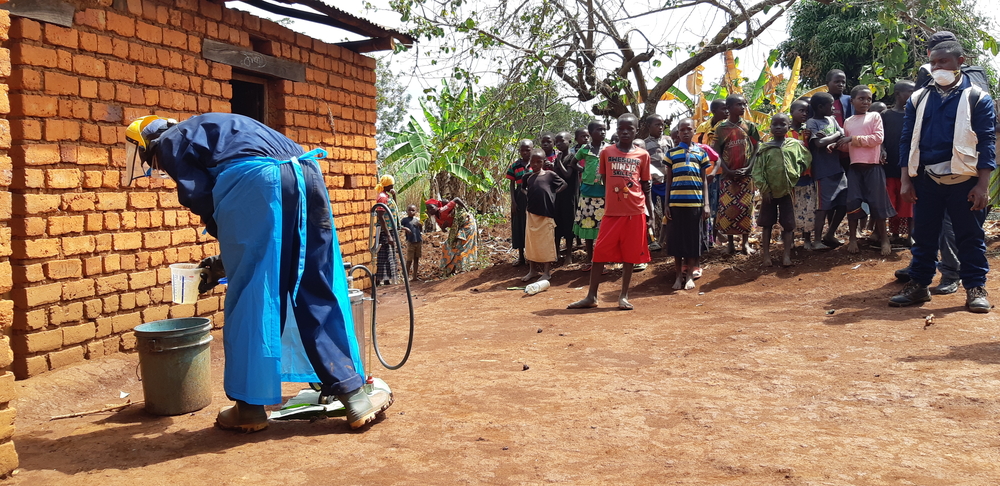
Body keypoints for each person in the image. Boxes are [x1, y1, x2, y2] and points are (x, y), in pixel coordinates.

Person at [121, 113, 392, 432]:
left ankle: (249, 409)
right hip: (306, 173)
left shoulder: (170, 139)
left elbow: (200, 196)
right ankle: (355, 397)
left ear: (146, 143)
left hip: (257, 178)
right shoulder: (216, 130)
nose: (158, 167)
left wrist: (228, 248)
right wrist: (230, 255)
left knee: (255, 294)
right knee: (314, 284)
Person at [890, 40, 996, 313]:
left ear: (960, 62)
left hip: (966, 181)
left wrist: (983, 184)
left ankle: (975, 288)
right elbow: (907, 141)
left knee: (970, 236)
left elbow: (986, 142)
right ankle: (919, 286)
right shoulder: (918, 99)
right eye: (933, 63)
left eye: (943, 62)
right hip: (926, 180)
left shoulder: (977, 98)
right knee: (924, 236)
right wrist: (906, 179)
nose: (936, 68)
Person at [568, 113, 652, 310]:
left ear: (636, 131)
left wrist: (651, 214)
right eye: (621, 128)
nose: (624, 132)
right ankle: (591, 296)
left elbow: (646, 185)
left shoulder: (643, 155)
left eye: (629, 129)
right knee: (600, 253)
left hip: (635, 211)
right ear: (616, 129)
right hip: (612, 213)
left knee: (630, 255)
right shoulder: (607, 152)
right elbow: (605, 180)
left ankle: (623, 295)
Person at [837, 85, 895, 256]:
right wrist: (838, 146)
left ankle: (884, 239)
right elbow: (850, 147)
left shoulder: (875, 116)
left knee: (877, 203)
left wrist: (852, 139)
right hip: (855, 168)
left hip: (873, 167)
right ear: (852, 101)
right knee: (852, 202)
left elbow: (877, 138)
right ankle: (853, 239)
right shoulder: (848, 122)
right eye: (861, 98)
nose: (865, 102)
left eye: (869, 99)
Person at [753, 114, 812, 267]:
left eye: (782, 124)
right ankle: (766, 256)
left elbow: (806, 158)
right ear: (770, 127)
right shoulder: (764, 148)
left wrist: (796, 172)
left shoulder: (794, 145)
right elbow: (757, 170)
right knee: (766, 224)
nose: (778, 127)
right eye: (775, 124)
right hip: (769, 193)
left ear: (788, 126)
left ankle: (786, 256)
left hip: (787, 191)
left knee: (788, 225)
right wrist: (764, 189)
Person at [664, 118, 710, 289]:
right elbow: (669, 181)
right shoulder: (671, 154)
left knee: (692, 241)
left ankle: (689, 275)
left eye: (688, 129)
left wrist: (706, 204)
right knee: (676, 241)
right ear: (678, 132)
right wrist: (667, 204)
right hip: (676, 205)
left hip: (695, 205)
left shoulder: (701, 153)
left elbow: (704, 180)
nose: (685, 132)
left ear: (694, 131)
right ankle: (677, 276)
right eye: (681, 129)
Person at [713, 94, 761, 254]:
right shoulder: (721, 129)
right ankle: (731, 244)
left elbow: (757, 148)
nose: (742, 107)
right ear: (729, 107)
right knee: (728, 210)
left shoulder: (750, 126)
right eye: (738, 104)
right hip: (728, 177)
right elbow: (717, 153)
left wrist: (748, 168)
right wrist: (728, 170)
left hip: (746, 176)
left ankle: (745, 243)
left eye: (744, 104)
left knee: (746, 210)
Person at [807, 92, 847, 250]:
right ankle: (817, 240)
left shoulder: (831, 119)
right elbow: (818, 143)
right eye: (830, 105)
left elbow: (843, 133)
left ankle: (830, 234)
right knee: (823, 206)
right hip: (822, 171)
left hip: (838, 169)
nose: (833, 108)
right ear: (820, 107)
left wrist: (832, 137)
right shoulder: (812, 122)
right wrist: (835, 135)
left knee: (844, 203)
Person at [522, 148, 568, 281]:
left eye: (539, 162)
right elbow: (522, 189)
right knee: (531, 243)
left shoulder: (550, 175)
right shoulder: (527, 177)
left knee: (546, 243)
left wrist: (552, 194)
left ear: (544, 162)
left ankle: (547, 272)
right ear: (529, 162)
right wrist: (529, 195)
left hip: (547, 214)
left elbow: (564, 184)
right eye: (533, 162)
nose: (535, 164)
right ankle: (532, 271)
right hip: (531, 213)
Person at [883, 80, 916, 245]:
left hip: (910, 167)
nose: (912, 95)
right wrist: (882, 150)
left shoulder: (915, 115)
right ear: (897, 94)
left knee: (909, 202)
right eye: (909, 92)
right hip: (890, 166)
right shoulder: (885, 116)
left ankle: (911, 235)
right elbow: (881, 138)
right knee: (892, 201)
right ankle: (894, 234)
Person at [573, 121, 608, 271]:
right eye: (599, 130)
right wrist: (584, 170)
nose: (602, 132)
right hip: (587, 192)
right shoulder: (584, 149)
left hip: (604, 193)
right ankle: (590, 260)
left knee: (603, 229)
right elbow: (572, 162)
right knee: (588, 227)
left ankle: (603, 260)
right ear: (591, 132)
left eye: (604, 129)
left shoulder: (608, 149)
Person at [696, 99, 728, 245]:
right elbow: (697, 146)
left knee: (720, 205)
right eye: (723, 109)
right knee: (708, 205)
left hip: (723, 171)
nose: (727, 111)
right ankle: (707, 236)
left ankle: (715, 235)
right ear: (714, 111)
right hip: (706, 173)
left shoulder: (728, 127)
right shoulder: (703, 127)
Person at [789, 99, 817, 249]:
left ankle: (807, 239)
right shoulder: (786, 132)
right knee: (791, 210)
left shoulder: (807, 131)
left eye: (807, 111)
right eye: (801, 110)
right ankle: (791, 239)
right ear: (792, 112)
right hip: (792, 179)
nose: (804, 113)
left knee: (808, 208)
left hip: (807, 175)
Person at [643, 114, 673, 253]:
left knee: (668, 210)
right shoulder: (644, 144)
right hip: (651, 184)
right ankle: (652, 239)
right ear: (649, 126)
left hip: (667, 183)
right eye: (657, 125)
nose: (660, 127)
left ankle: (665, 239)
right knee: (651, 212)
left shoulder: (668, 140)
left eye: (662, 125)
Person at [426, 197, 479, 275]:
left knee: (462, 246)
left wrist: (466, 208)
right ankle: (450, 269)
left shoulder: (443, 210)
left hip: (467, 224)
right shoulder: (436, 217)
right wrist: (444, 226)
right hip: (458, 228)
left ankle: (464, 268)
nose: (430, 210)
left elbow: (456, 199)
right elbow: (443, 229)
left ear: (437, 207)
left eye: (431, 208)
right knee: (447, 246)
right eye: (428, 209)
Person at [506, 140, 533, 266]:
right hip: (519, 197)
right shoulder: (515, 165)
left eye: (527, 150)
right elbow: (511, 184)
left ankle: (532, 256)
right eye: (522, 150)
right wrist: (513, 202)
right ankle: (521, 257)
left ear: (532, 149)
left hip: (533, 196)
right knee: (518, 227)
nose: (525, 152)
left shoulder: (536, 163)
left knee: (531, 226)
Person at [552, 132, 578, 262]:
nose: (558, 144)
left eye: (561, 141)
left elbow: (568, 175)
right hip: (558, 196)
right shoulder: (559, 157)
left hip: (569, 197)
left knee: (569, 224)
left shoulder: (572, 157)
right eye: (556, 142)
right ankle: (556, 253)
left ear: (569, 141)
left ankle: (568, 254)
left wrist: (558, 162)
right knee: (557, 224)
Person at [374, 175, 401, 285]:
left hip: (390, 229)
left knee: (389, 255)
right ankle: (380, 280)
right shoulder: (382, 197)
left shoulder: (386, 196)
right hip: (386, 231)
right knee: (384, 256)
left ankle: (387, 280)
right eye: (392, 185)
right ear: (388, 185)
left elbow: (394, 208)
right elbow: (381, 216)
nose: (393, 186)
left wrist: (394, 196)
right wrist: (388, 235)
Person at [400, 204, 423, 281]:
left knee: (416, 259)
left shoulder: (416, 220)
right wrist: (406, 229)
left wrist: (420, 226)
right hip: (411, 242)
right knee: (409, 260)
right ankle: (406, 277)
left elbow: (421, 231)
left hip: (418, 241)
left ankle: (415, 277)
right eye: (409, 210)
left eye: (413, 210)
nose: (411, 212)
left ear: (416, 212)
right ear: (406, 211)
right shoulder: (405, 220)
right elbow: (398, 226)